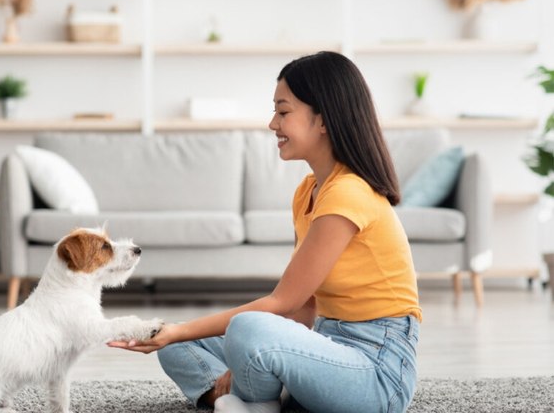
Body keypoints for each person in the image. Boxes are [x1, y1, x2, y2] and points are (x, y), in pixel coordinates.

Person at [109, 51, 422, 413]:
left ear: (323, 120)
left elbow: (282, 302)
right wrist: (187, 336)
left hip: (377, 373)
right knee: (180, 345)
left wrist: (239, 344)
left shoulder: (348, 193)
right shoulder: (309, 191)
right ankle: (240, 397)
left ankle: (254, 402)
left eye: (283, 111)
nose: (273, 123)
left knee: (243, 329)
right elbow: (305, 308)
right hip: (325, 342)